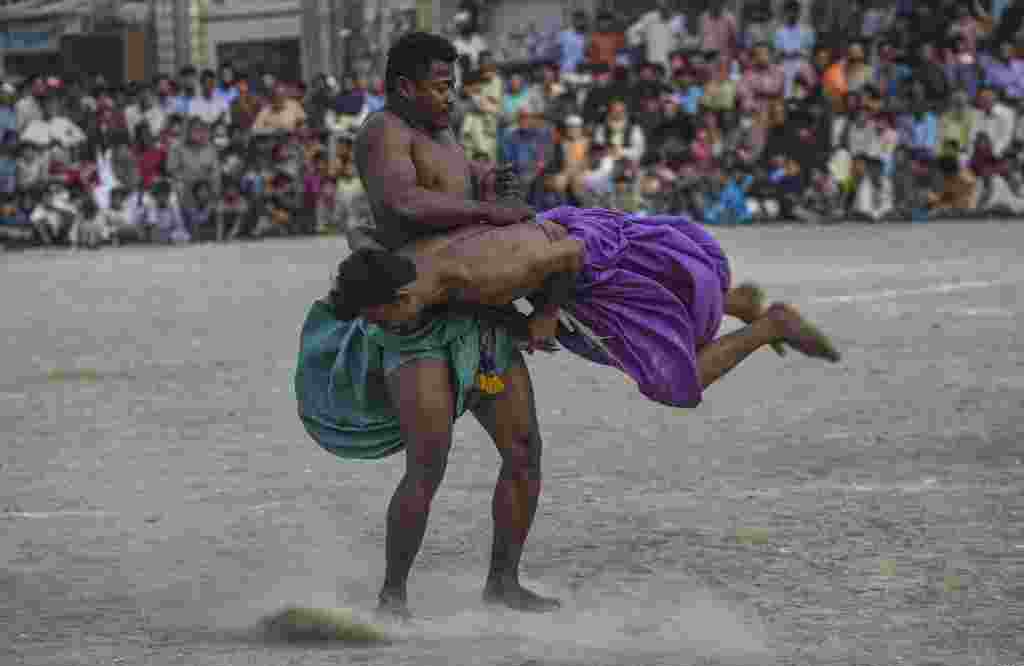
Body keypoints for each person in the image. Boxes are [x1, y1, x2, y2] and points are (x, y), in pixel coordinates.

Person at [296, 32, 552, 621]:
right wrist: (489, 208)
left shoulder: (444, 135)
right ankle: (392, 597)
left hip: (479, 315)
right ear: (404, 86)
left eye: (452, 85)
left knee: (523, 448)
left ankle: (504, 583)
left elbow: (457, 194)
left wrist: (491, 185)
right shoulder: (383, 131)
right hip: (416, 316)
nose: (450, 96)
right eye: (440, 86)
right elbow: (407, 204)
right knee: (429, 459)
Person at [326, 208, 838, 412]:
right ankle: (737, 302)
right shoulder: (397, 263)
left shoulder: (482, 274)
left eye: (377, 320)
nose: (381, 329)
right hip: (552, 260)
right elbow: (359, 230)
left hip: (582, 270)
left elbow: (569, 255)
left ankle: (771, 324)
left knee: (675, 383)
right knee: (675, 307)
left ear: (398, 300)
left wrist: (545, 314)